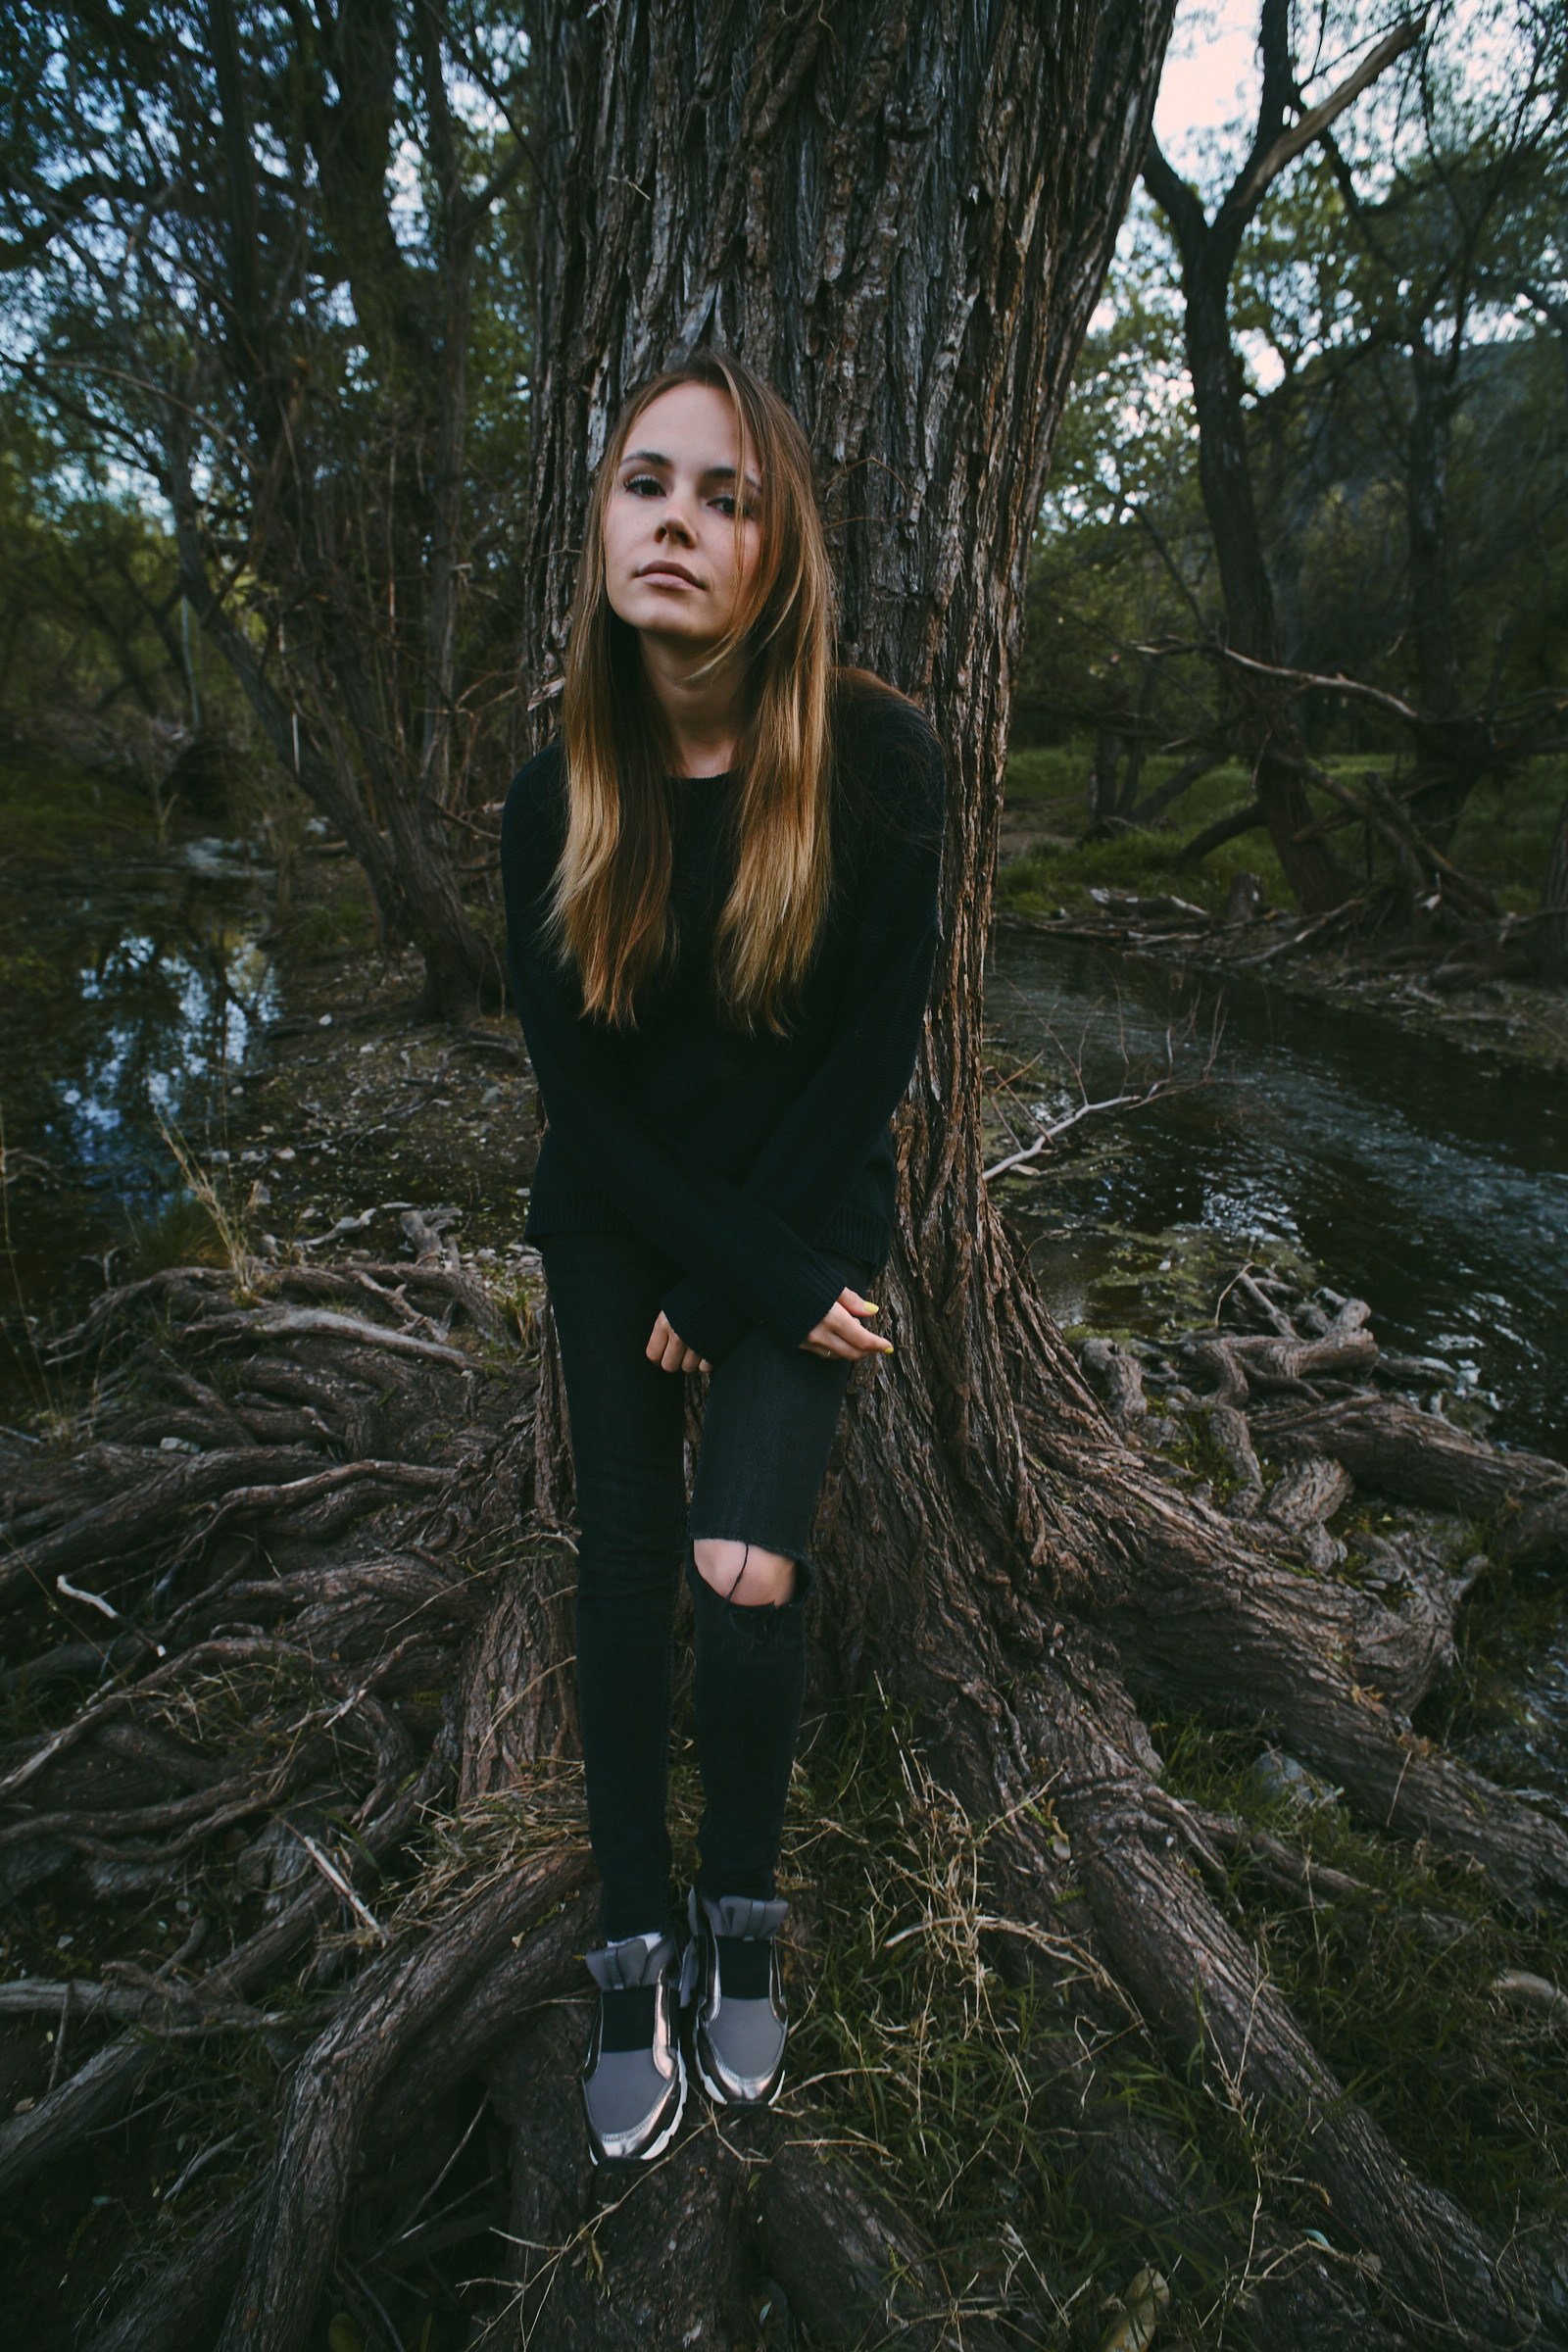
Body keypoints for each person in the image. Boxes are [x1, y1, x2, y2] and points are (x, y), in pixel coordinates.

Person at [501, 350, 944, 2166]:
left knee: (742, 1568)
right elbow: (582, 1111)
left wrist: (749, 1278)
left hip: (804, 1204)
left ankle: (739, 1920)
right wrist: (700, 1274)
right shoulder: (557, 792)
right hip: (629, 1222)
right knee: (624, 1558)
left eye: (724, 497)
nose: (676, 522)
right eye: (644, 484)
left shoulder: (878, 761)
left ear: (776, 550)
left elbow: (872, 1055)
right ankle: (631, 1938)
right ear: (601, 521)